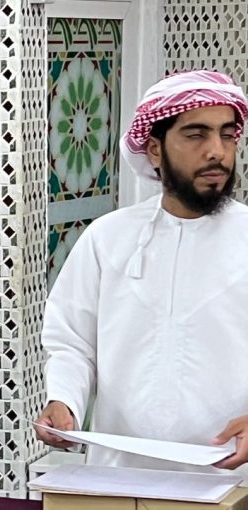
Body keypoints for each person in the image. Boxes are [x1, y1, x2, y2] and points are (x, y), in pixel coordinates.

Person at [34, 70, 248, 474]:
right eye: (196, 135)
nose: (217, 151)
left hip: (231, 481)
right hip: (120, 476)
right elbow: (72, 342)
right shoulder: (108, 238)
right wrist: (64, 401)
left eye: (227, 135)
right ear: (154, 149)